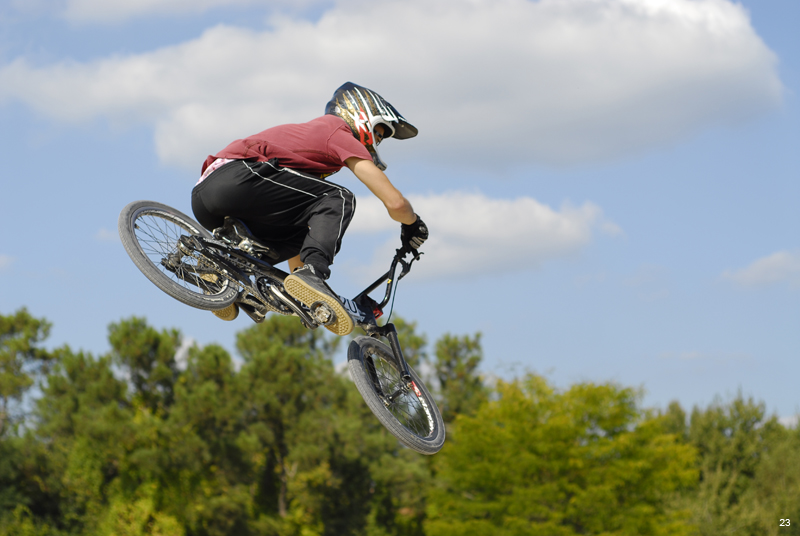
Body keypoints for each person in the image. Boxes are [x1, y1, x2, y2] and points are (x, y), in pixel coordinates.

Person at [191, 82, 429, 336]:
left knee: (306, 226)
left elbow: (304, 245)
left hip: (207, 198)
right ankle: (314, 272)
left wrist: (307, 299)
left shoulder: (308, 159)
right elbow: (394, 202)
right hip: (237, 178)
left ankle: (217, 269)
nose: (378, 140)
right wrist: (412, 223)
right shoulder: (337, 131)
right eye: (380, 132)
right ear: (362, 115)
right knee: (339, 197)